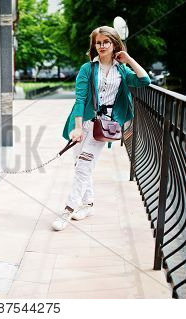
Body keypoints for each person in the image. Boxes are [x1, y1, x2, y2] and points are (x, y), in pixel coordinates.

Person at [52, 26, 151, 231]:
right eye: (98, 42)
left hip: (103, 127)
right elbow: (79, 99)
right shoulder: (87, 69)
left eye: (106, 42)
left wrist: (129, 59)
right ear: (94, 45)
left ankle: (68, 210)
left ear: (114, 44)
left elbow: (145, 80)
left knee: (83, 167)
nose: (102, 46)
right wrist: (78, 128)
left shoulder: (122, 70)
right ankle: (88, 204)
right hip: (83, 124)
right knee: (80, 165)